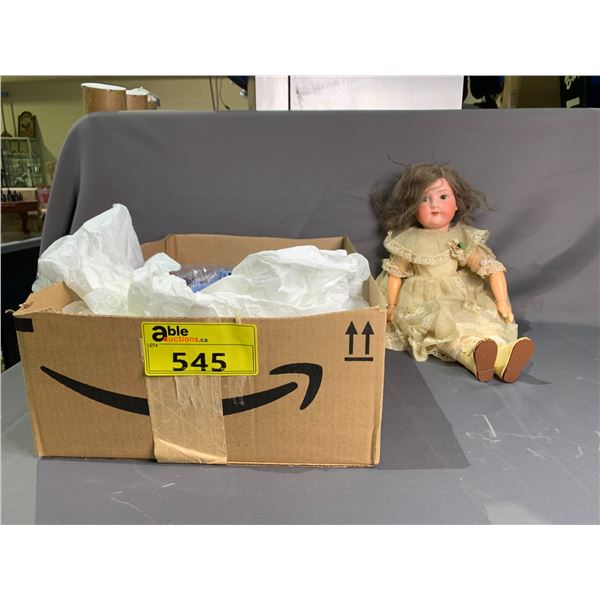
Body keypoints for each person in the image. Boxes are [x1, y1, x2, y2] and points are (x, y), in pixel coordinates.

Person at [372, 162, 535, 382]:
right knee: (444, 329)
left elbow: (490, 267)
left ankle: (503, 354)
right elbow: (395, 274)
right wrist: (391, 306)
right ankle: (473, 357)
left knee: (478, 319)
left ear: (457, 203)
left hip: (459, 295)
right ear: (413, 207)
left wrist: (502, 301)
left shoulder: (459, 240)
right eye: (424, 199)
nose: (434, 205)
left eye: (443, 197)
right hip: (423, 299)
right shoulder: (409, 241)